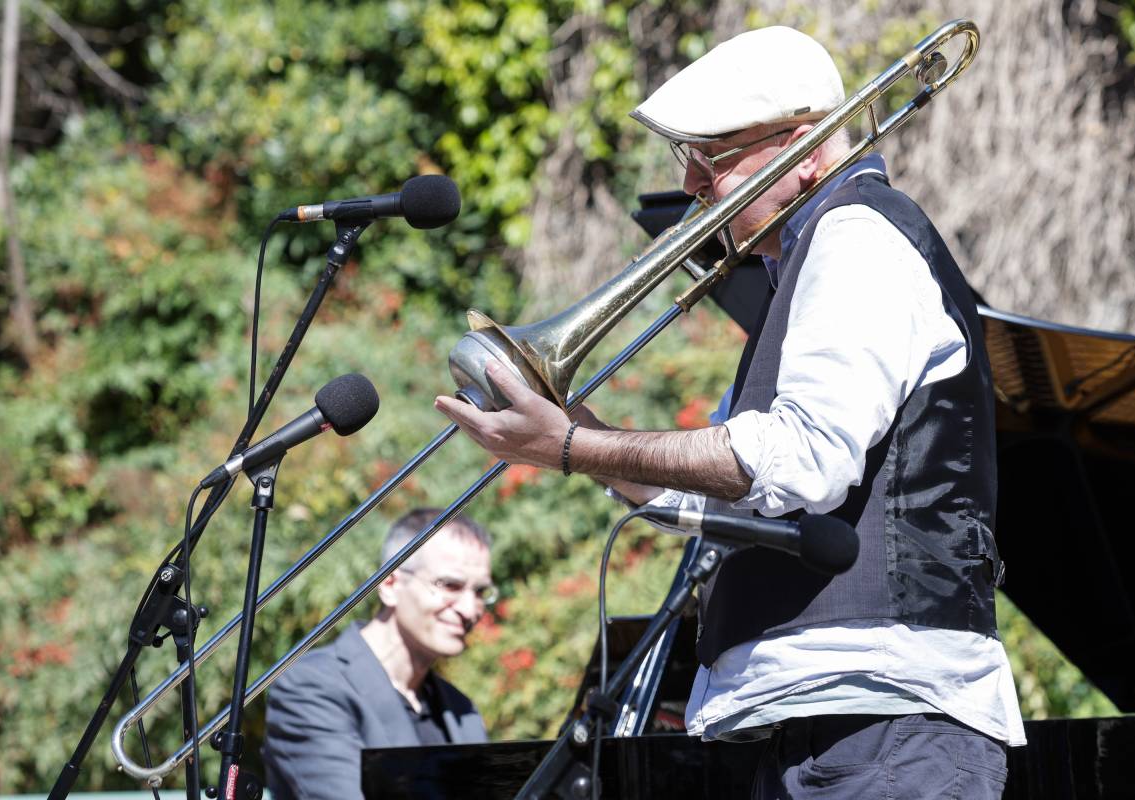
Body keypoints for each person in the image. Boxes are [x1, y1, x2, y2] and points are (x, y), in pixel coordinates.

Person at [434, 25, 1025, 800]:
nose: (690, 184)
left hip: (880, 719)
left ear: (802, 150)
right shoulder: (809, 259)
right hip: (835, 723)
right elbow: (741, 500)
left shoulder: (855, 235)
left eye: (710, 158)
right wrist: (575, 435)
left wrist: (573, 447)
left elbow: (798, 463)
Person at [262, 509, 492, 800]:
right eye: (450, 585)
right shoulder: (312, 688)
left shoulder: (461, 710)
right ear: (390, 585)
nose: (470, 610)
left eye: (480, 592)